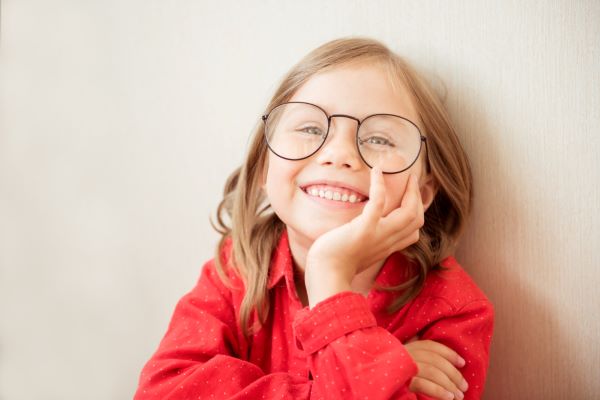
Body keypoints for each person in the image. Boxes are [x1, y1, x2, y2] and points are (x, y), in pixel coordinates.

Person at [134, 37, 494, 400]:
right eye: (310, 129)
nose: (338, 154)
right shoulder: (235, 271)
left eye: (380, 139)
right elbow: (162, 392)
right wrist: (364, 378)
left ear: (423, 193)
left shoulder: (452, 310)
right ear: (263, 166)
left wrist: (330, 277)